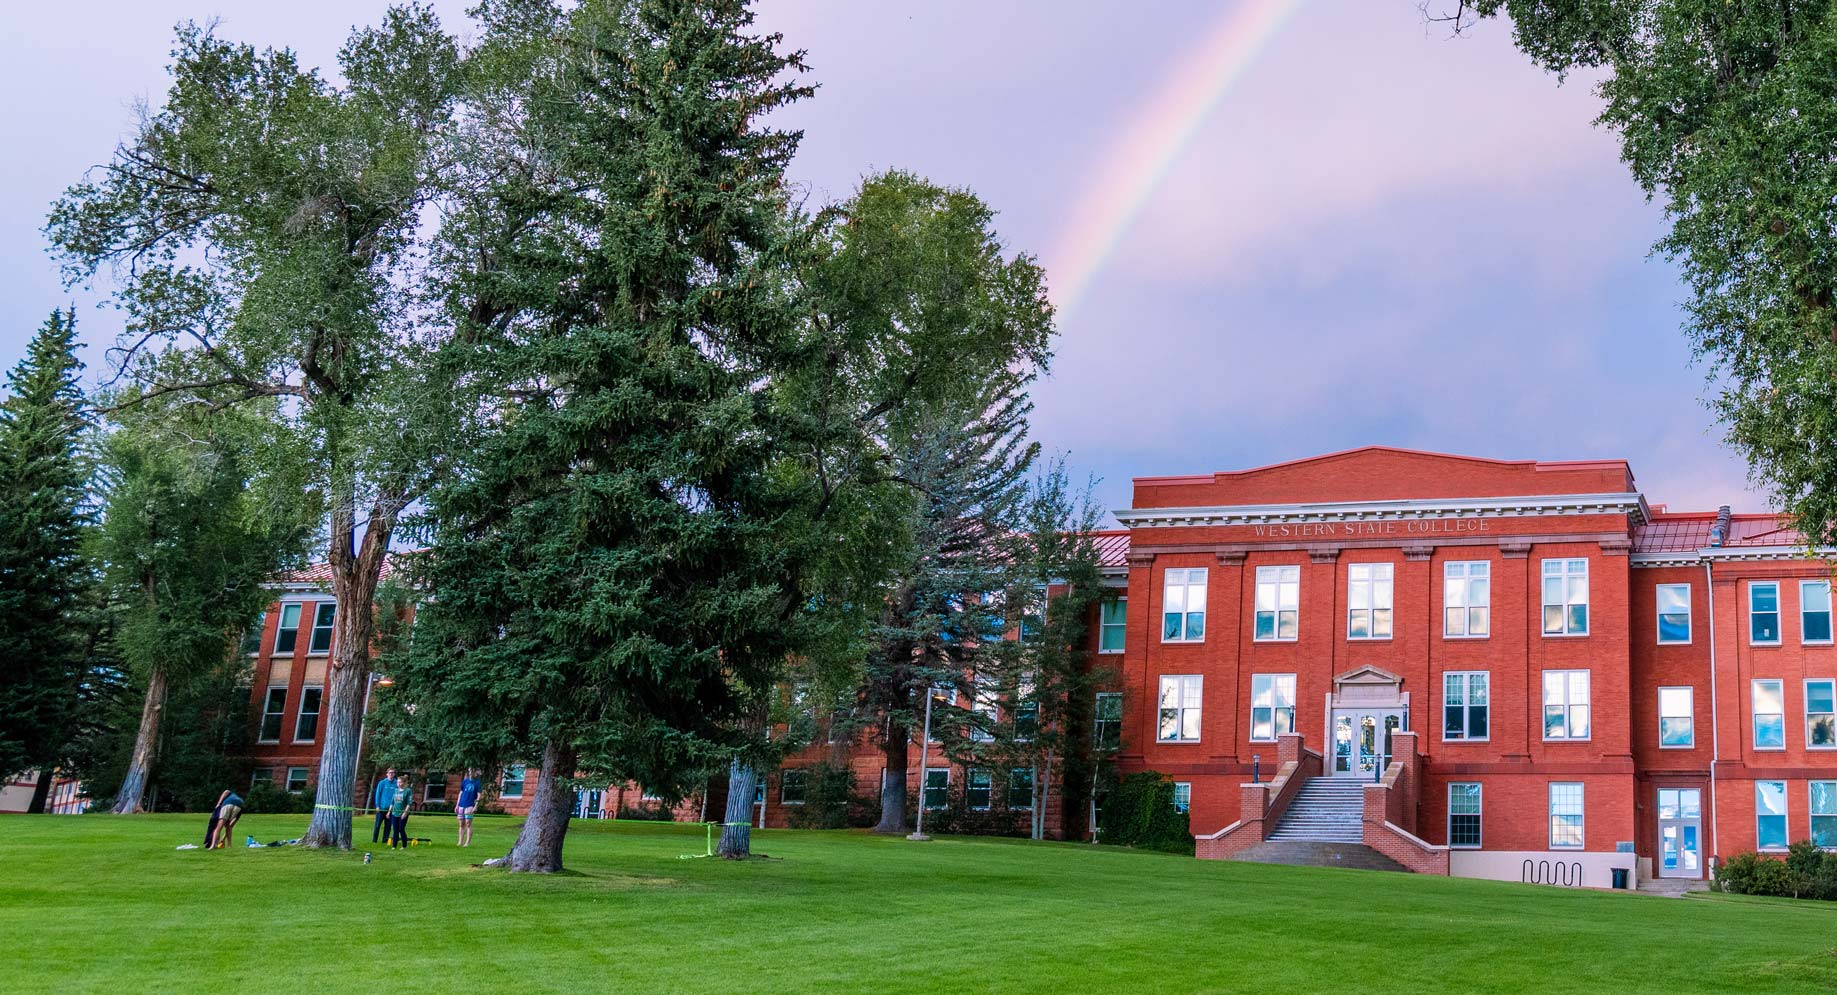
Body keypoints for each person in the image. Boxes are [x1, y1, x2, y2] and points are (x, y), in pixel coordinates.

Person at [455, 769, 481, 847]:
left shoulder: (477, 783)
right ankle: (460, 842)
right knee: (461, 824)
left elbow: (479, 795)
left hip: (470, 805)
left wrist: (475, 806)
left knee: (468, 823)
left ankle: (467, 843)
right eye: (469, 771)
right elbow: (461, 793)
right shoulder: (465, 781)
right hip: (461, 805)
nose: (470, 773)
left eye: (472, 771)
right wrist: (457, 804)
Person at [370, 768, 397, 844]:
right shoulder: (382, 783)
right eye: (390, 772)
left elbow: (397, 796)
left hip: (390, 809)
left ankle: (385, 840)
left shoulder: (396, 784)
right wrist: (377, 805)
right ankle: (374, 840)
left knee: (388, 826)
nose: (391, 774)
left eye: (393, 773)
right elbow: (378, 794)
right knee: (377, 825)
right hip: (381, 808)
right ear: (387, 773)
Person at [387, 773, 412, 849]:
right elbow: (392, 802)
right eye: (398, 782)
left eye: (400, 782)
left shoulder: (408, 791)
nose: (398, 784)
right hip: (394, 813)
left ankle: (404, 845)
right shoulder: (396, 790)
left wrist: (405, 813)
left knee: (401, 829)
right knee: (395, 830)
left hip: (402, 813)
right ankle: (394, 846)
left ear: (404, 782)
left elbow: (409, 803)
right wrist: (389, 811)